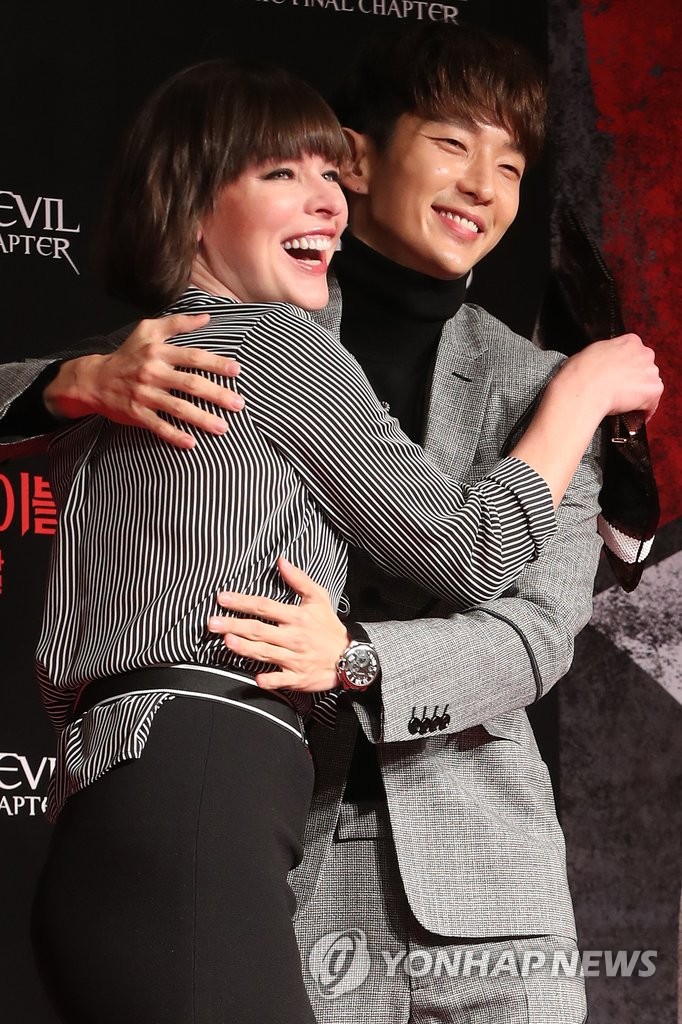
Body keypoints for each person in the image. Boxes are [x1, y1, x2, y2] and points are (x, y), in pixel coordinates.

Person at [0, 26, 662, 1024]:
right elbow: (470, 548)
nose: (482, 184)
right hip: (280, 858)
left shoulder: (527, 380)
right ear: (362, 157)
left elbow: (533, 633)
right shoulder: (259, 320)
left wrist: (355, 655)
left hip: (475, 882)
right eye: (451, 143)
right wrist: (75, 381)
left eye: (512, 164)